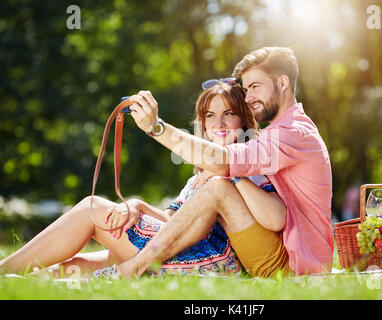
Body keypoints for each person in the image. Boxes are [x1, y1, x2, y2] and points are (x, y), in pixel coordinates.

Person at [0, 80, 286, 277]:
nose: (218, 124)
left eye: (229, 114)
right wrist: (138, 206)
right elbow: (176, 222)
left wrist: (232, 174)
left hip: (213, 258)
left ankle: (4, 270)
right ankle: (19, 278)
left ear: (244, 121)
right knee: (80, 262)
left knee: (94, 209)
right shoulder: (201, 172)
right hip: (180, 245)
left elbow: (272, 219)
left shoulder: (250, 163)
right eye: (210, 115)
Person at [117, 46, 333, 278]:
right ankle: (120, 267)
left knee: (219, 187)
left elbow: (223, 162)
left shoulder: (293, 132)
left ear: (282, 83)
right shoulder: (280, 131)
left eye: (255, 87)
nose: (248, 97)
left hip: (295, 266)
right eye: (246, 88)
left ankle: (136, 267)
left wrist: (155, 127)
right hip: (282, 255)